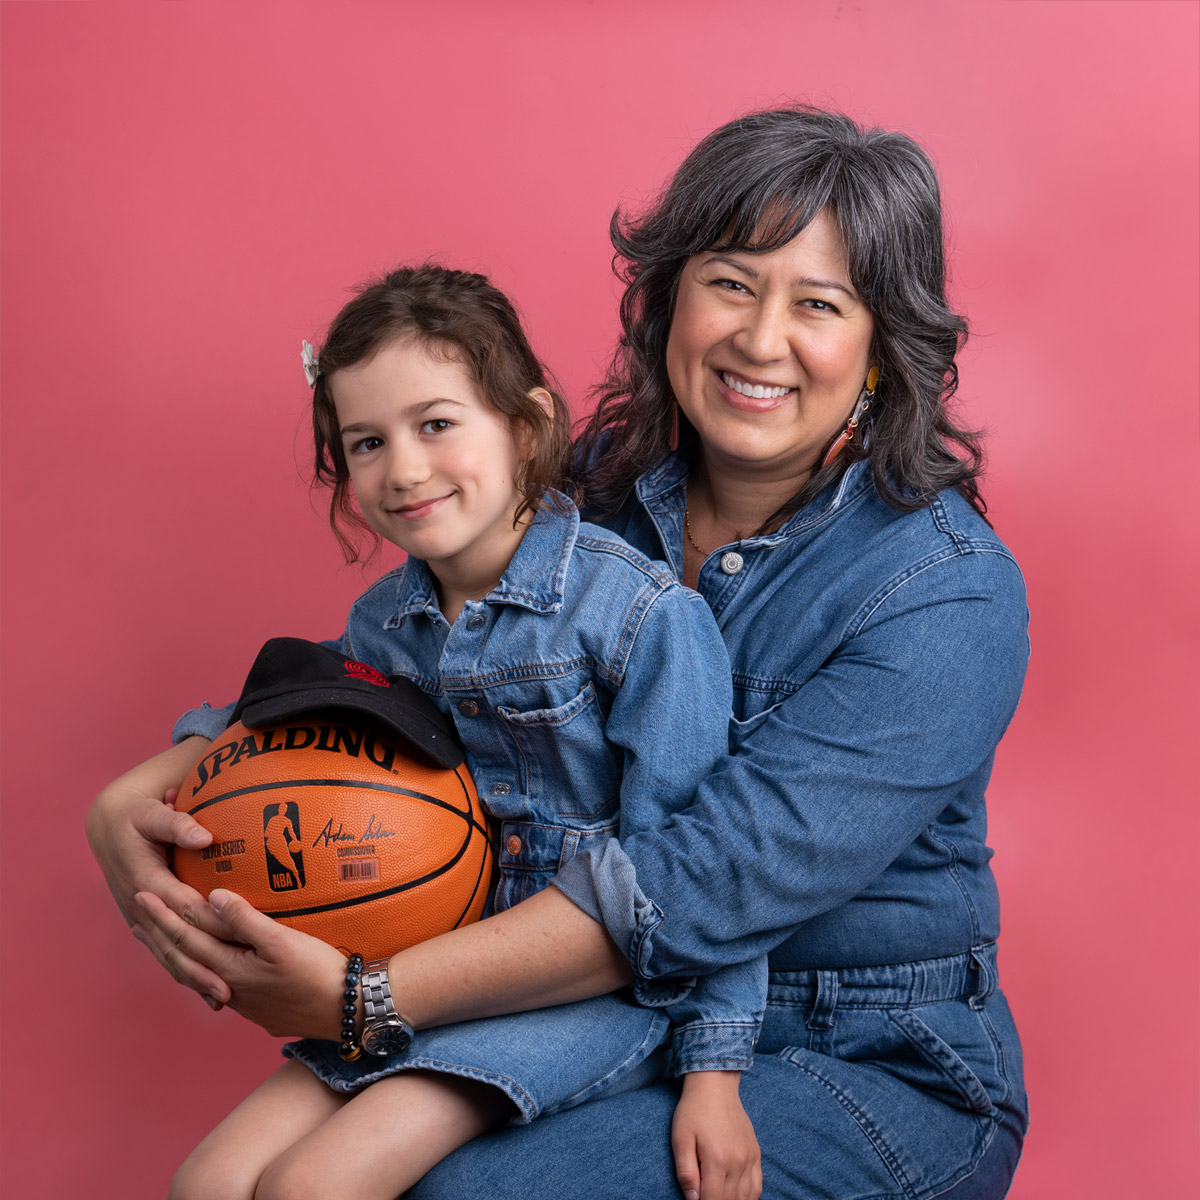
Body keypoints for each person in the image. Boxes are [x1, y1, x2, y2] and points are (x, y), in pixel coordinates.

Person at [90, 106, 1030, 1200]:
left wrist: (366, 996)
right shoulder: (577, 497)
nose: (761, 340)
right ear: (670, 296)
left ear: (880, 346)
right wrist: (153, 790)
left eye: (818, 305)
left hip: (860, 1056)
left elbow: (698, 887)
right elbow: (395, 682)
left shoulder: (944, 589)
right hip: (584, 1004)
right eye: (730, 282)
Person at [112, 264, 767, 1200]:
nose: (404, 470)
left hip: (590, 999)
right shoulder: (386, 620)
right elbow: (290, 715)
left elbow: (709, 872)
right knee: (207, 1182)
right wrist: (153, 777)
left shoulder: (636, 613)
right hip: (424, 970)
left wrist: (716, 1075)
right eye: (367, 442)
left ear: (527, 424)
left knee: (313, 1186)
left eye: (436, 424)